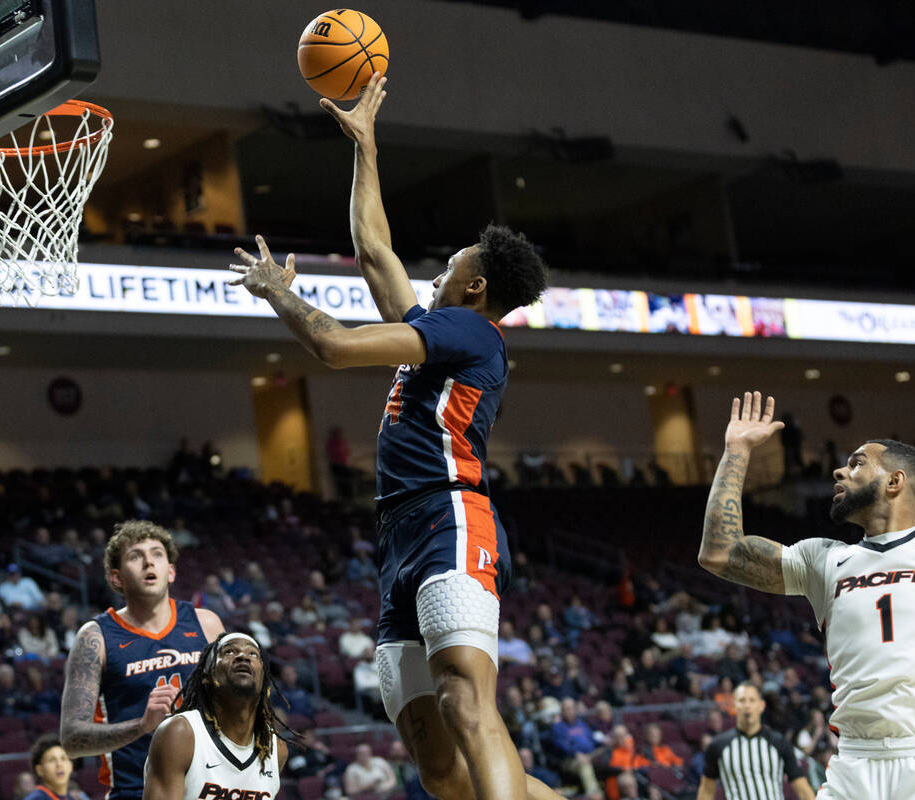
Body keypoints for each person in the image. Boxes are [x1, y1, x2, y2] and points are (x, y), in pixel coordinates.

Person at [227, 72, 550, 800]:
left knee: (469, 705)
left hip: (448, 518)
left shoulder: (468, 329)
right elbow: (375, 251)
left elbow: (336, 347)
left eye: (455, 263)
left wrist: (280, 293)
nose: (440, 270)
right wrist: (366, 145)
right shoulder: (442, 330)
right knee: (438, 767)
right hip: (399, 534)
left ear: (474, 286)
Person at [698, 346, 915, 800]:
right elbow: (720, 552)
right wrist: (735, 453)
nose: (839, 471)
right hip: (854, 768)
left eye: (856, 463)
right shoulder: (823, 560)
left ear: (895, 481)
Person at [60, 521, 224, 800]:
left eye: (157, 554)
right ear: (116, 578)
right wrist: (142, 725)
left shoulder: (206, 624)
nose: (149, 561)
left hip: (210, 789)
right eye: (135, 556)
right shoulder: (96, 638)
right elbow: (72, 740)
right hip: (137, 792)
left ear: (170, 571)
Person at [144, 633, 287, 800]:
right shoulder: (180, 733)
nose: (243, 657)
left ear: (264, 678)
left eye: (253, 654)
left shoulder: (275, 748)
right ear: (207, 675)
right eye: (229, 652)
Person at [697, 683, 814, 800]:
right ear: (734, 705)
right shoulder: (718, 746)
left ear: (761, 705)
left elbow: (802, 788)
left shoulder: (778, 742)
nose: (747, 705)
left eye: (752, 700)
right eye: (742, 700)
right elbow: (706, 791)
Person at [22, 734, 86, 800]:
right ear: (40, 770)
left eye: (63, 758)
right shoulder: (36, 798)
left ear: (71, 766)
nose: (59, 764)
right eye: (52, 760)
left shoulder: (71, 797)